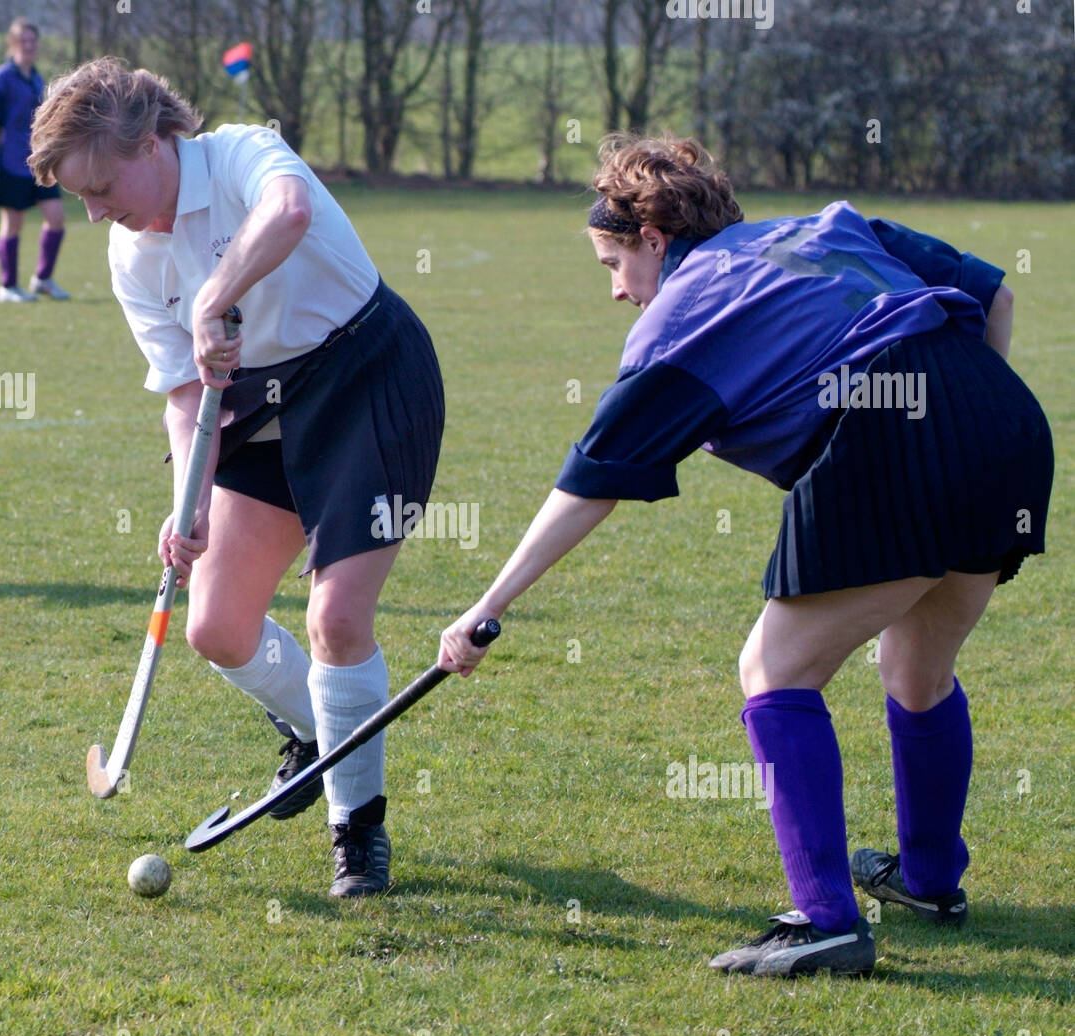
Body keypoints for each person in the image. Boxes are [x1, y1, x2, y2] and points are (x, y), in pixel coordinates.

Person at [438, 135, 1052, 977]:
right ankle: (929, 878)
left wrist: (487, 605)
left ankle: (827, 921)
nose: (617, 290)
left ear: (655, 239)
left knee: (772, 669)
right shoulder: (831, 224)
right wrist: (963, 435)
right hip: (1004, 421)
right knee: (917, 667)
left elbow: (591, 483)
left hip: (894, 443)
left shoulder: (681, 318)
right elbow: (998, 296)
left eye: (614, 262)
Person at [28, 58, 445, 897]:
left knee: (335, 616)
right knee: (216, 626)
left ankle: (357, 834)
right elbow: (187, 394)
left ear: (153, 143)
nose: (97, 210)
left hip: (366, 374)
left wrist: (215, 293)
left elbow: (288, 213)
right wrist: (190, 499)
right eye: (81, 197)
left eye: (104, 184)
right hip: (255, 399)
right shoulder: (128, 254)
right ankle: (313, 727)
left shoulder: (243, 155)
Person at [0, 18, 69, 303]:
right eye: (23, 41)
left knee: (56, 217)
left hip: (38, 162)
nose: (28, 46)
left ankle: (42, 279)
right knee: (13, 223)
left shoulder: (36, 78)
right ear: (13, 44)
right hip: (9, 161)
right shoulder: (1, 79)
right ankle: (7, 287)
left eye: (32, 41)